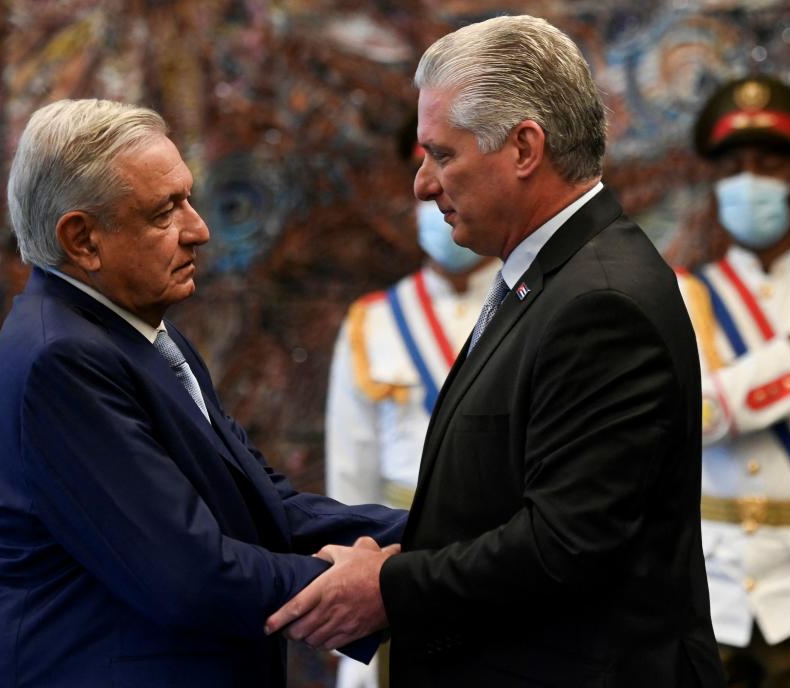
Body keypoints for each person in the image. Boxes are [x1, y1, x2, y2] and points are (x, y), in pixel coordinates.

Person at [266, 14, 725, 686]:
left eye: (442, 155)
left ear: (523, 148)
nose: (422, 185)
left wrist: (390, 585)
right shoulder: (553, 274)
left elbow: (565, 543)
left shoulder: (599, 300)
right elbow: (495, 500)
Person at [0, 98, 406, 688]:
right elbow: (188, 576)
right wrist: (367, 587)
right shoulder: (61, 360)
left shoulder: (135, 335)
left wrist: (443, 535)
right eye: (163, 213)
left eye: (188, 199)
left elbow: (263, 507)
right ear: (82, 239)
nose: (198, 230)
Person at [676, 75, 790, 687]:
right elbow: (698, 419)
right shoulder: (678, 298)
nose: (750, 181)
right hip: (708, 592)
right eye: (734, 166)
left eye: (769, 164)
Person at [325, 119, 496, 688]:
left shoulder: (537, 302)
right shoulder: (373, 322)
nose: (433, 193)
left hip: (509, 567)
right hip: (403, 573)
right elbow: (349, 485)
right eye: (421, 173)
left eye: (449, 168)